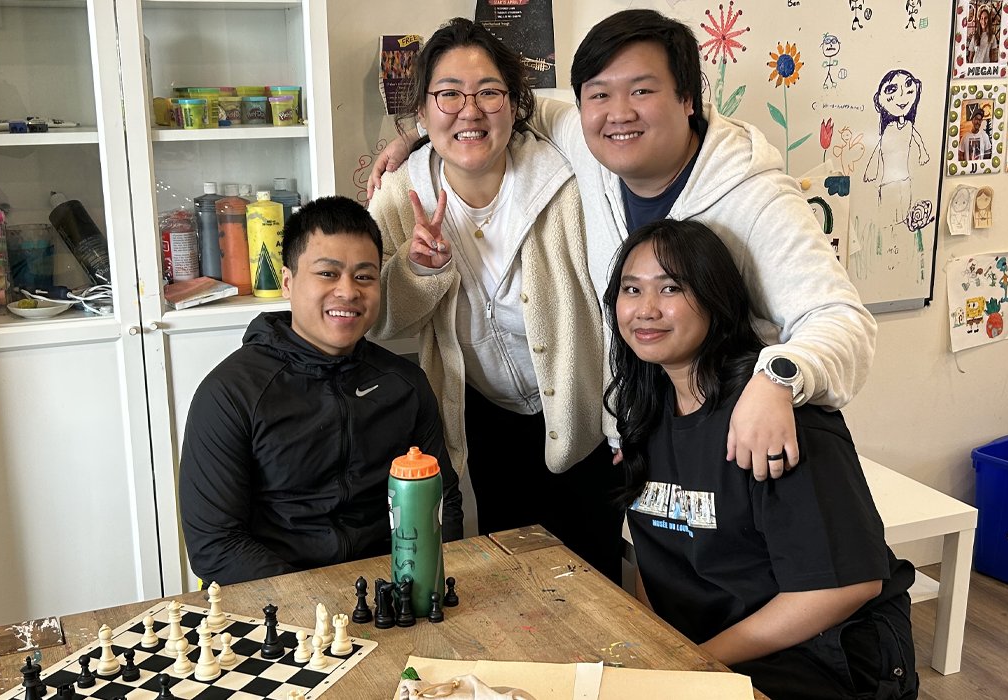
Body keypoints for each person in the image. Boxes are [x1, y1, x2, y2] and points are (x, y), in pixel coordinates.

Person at [370, 9, 878, 484]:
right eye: (598, 94)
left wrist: (777, 381)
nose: (618, 113)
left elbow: (842, 320)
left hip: (735, 430)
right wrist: (414, 140)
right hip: (639, 427)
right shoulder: (590, 150)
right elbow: (503, 114)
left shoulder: (752, 197)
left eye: (641, 90)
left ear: (687, 99)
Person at [605, 219, 918, 700]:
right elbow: (661, 556)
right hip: (713, 649)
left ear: (716, 297)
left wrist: (696, 662)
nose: (646, 310)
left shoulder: (776, 419)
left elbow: (845, 587)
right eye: (632, 289)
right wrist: (662, 648)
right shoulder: (643, 414)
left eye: (671, 288)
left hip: (820, 651)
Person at [366, 19, 622, 582]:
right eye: (449, 94)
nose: (470, 110)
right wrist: (414, 270)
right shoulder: (400, 195)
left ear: (514, 102)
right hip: (483, 417)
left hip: (584, 415)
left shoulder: (564, 174)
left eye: (488, 92)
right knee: (512, 578)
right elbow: (375, 319)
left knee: (594, 582)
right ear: (423, 108)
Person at [179, 196, 464, 586]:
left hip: (391, 590)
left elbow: (442, 503)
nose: (348, 292)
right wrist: (321, 608)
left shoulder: (404, 384)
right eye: (328, 274)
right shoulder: (230, 393)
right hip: (282, 603)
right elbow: (216, 545)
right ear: (287, 282)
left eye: (364, 276)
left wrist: (424, 588)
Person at [863, 68, 930, 225]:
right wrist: (871, 169)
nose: (902, 95)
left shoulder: (908, 126)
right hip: (888, 183)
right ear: (879, 99)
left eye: (908, 86)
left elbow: (917, 138)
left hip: (905, 179)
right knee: (888, 220)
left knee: (904, 217)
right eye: (892, 89)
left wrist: (923, 152)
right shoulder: (889, 129)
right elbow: (878, 148)